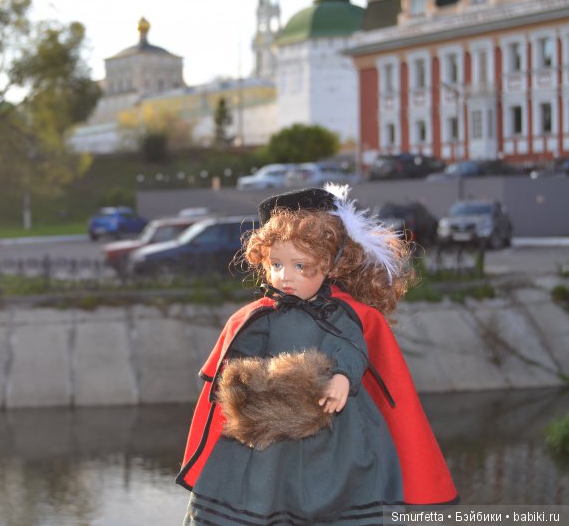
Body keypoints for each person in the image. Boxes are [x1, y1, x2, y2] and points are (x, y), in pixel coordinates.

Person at [177, 185, 457, 525]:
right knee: (261, 491)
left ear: (330, 265)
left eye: (300, 265)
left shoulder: (343, 316)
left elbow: (352, 348)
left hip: (335, 431)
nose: (285, 276)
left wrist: (342, 377)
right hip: (270, 429)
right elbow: (239, 360)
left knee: (336, 495)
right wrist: (245, 382)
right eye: (276, 264)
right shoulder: (258, 317)